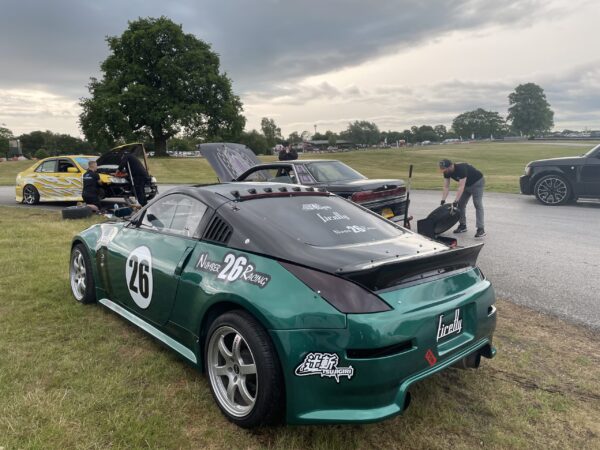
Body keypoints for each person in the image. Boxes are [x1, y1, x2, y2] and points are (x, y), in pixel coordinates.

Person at [439, 159, 486, 238]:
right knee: (460, 205)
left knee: (477, 204)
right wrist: (443, 200)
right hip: (466, 185)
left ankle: (481, 229)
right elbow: (446, 187)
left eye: (445, 169)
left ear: (450, 166)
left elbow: (461, 187)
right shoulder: (446, 172)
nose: (444, 171)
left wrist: (455, 201)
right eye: (442, 169)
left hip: (477, 183)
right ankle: (462, 225)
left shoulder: (461, 169)